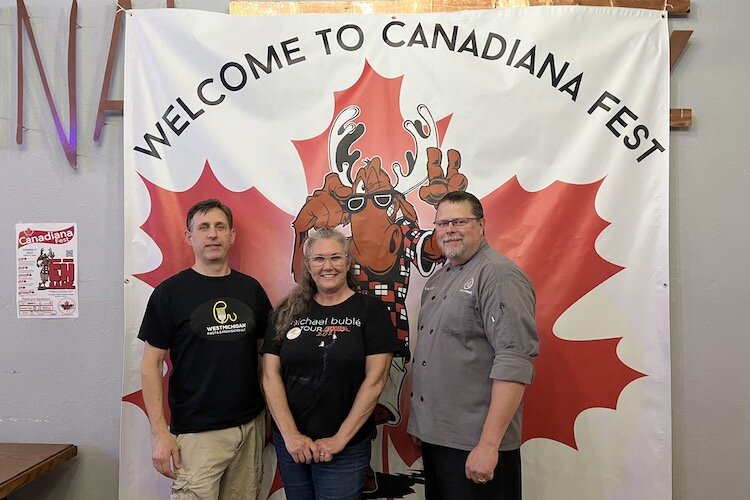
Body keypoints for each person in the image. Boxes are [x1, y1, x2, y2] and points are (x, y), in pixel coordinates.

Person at [408, 191, 539, 500]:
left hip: (475, 444)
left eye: (459, 221)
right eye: (442, 223)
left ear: (481, 225)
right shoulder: (439, 280)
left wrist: (489, 445)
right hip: (439, 440)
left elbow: (514, 361)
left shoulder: (498, 275)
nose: (449, 229)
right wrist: (422, 424)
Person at [138, 198, 271, 499]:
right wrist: (159, 433)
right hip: (197, 435)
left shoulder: (251, 290)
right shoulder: (169, 293)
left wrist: (269, 420)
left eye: (220, 227)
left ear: (231, 235)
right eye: (204, 227)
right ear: (189, 237)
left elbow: (265, 361)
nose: (213, 234)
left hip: (249, 428)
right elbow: (150, 365)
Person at [261, 228, 400, 499]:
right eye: (319, 259)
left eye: (336, 258)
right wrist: (291, 436)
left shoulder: (371, 311)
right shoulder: (285, 311)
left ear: (348, 262)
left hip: (345, 448)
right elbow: (270, 374)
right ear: (308, 265)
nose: (328, 266)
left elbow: (376, 380)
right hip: (292, 447)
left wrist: (340, 439)